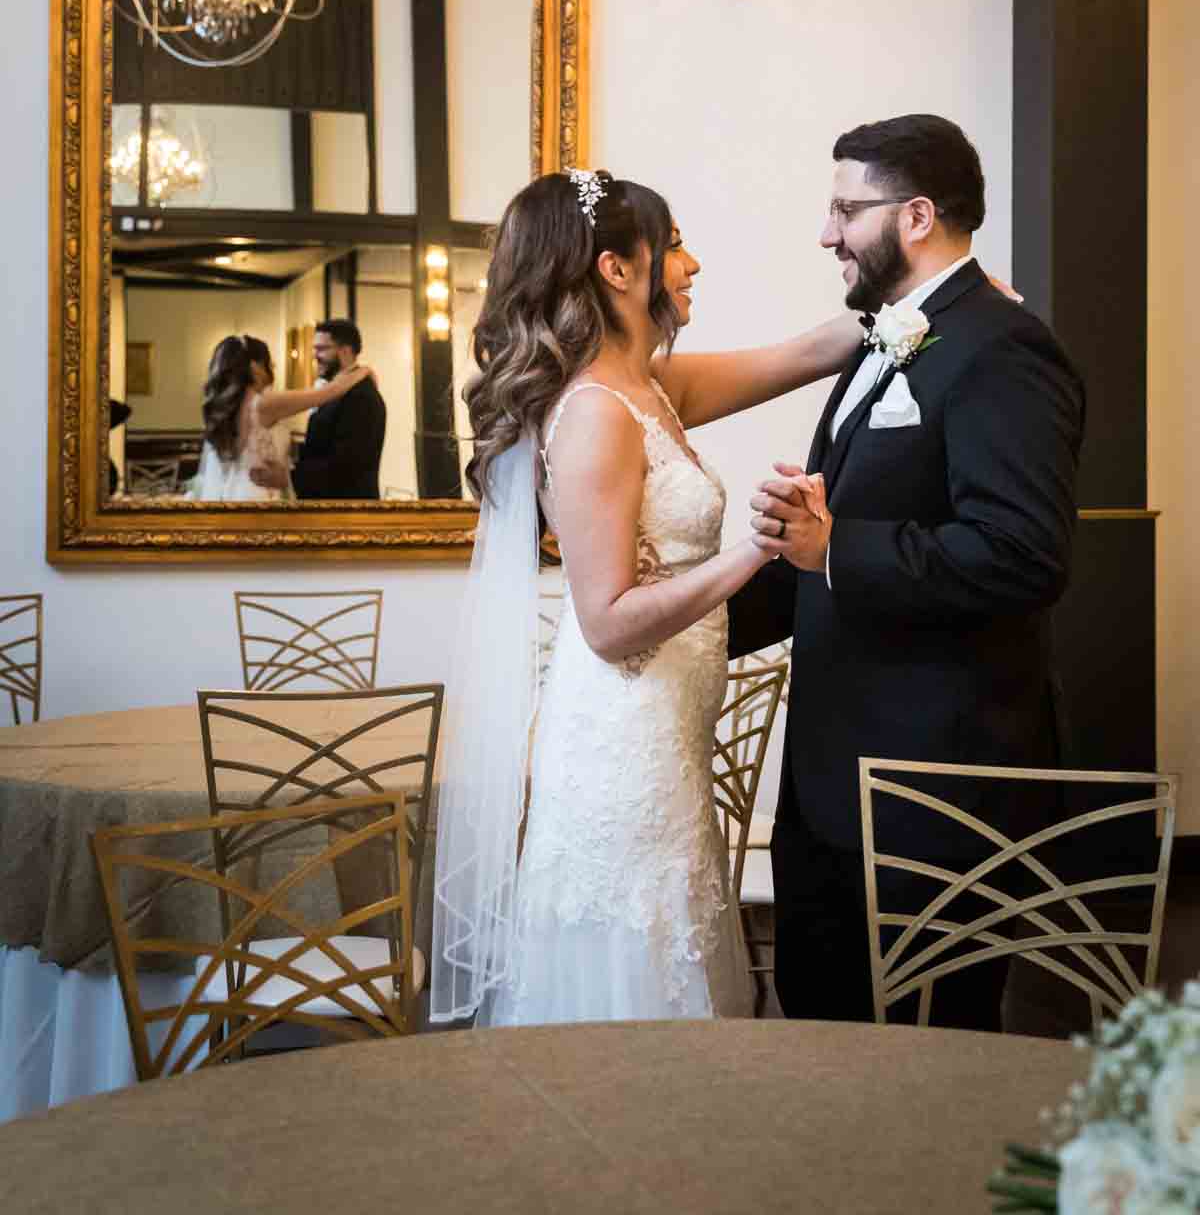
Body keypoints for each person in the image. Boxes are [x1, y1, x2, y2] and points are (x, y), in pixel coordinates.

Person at [431, 169, 860, 1028]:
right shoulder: (595, 412)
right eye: (672, 246)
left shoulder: (650, 387)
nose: (692, 263)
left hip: (666, 738)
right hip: (621, 749)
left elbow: (803, 355)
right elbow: (608, 623)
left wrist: (928, 303)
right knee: (635, 979)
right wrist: (756, 548)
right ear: (616, 270)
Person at [731, 113, 1085, 1032]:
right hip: (837, 783)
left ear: (916, 215)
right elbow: (827, 547)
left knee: (925, 1064)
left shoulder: (1002, 348)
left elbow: (1022, 553)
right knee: (826, 1032)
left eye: (846, 210)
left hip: (936, 793)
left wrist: (837, 546)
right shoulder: (900, 333)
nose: (826, 233)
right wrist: (672, 627)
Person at [189, 333, 374, 502]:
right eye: (268, 363)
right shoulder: (262, 404)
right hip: (257, 495)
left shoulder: (228, 407)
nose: (273, 367)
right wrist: (362, 372)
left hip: (231, 493)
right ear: (255, 367)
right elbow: (327, 393)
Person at [250, 319, 387, 501]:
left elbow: (348, 466)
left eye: (322, 349)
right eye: (314, 349)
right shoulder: (334, 392)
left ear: (345, 351)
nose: (314, 355)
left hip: (348, 509)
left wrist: (289, 477)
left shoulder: (361, 397)